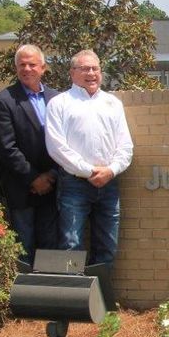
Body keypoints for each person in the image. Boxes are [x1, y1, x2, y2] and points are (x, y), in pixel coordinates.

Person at [45, 50, 134, 266]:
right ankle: (72, 299)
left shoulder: (112, 104)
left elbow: (125, 146)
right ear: (72, 73)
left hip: (109, 183)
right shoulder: (59, 103)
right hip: (74, 184)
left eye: (95, 68)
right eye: (85, 69)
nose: (91, 73)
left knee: (107, 247)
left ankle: (100, 299)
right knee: (71, 245)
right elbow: (56, 147)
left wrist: (110, 170)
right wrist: (89, 171)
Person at [0, 45, 61, 264]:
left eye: (32, 64)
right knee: (24, 249)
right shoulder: (4, 100)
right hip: (23, 190)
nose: (27, 69)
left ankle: (50, 295)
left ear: (43, 68)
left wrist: (52, 175)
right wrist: (33, 178)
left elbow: (66, 142)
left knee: (51, 248)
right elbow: (6, 147)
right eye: (22, 64)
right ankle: (26, 297)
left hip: (54, 187)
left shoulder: (58, 99)